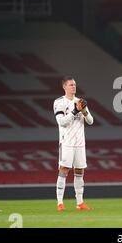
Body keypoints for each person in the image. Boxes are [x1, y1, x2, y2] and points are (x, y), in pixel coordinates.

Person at [53, 76, 94, 211]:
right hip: (66, 142)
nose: (74, 87)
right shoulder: (59, 102)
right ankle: (60, 203)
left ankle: (80, 202)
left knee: (80, 171)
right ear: (64, 86)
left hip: (80, 143)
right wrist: (75, 111)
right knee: (64, 170)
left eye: (75, 84)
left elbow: (90, 121)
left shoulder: (79, 102)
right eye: (71, 85)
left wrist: (83, 110)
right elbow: (61, 122)